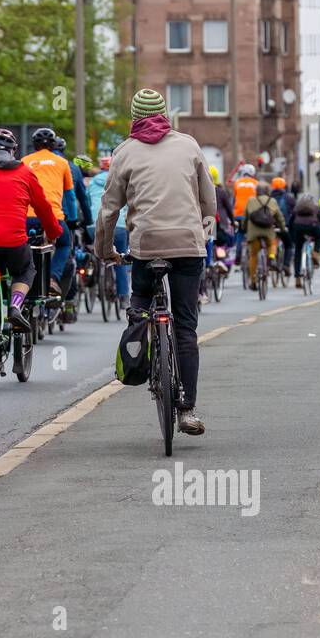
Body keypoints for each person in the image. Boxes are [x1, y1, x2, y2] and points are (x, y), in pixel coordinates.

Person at [95, 88, 215, 436]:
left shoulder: (124, 152)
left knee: (140, 301)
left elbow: (109, 209)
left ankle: (138, 332)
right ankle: (188, 409)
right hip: (188, 246)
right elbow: (208, 198)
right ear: (166, 115)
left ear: (134, 117)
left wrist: (105, 251)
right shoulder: (189, 145)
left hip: (146, 246)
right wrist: (205, 229)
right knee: (185, 328)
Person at [0, 128, 61, 336]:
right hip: (13, 242)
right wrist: (53, 232)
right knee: (25, 270)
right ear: (13, 151)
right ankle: (15, 306)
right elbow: (42, 207)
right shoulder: (25, 172)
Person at [22, 128, 74, 297]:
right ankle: (53, 278)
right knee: (65, 243)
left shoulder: (24, 161)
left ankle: (22, 279)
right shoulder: (62, 163)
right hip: (53, 216)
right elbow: (70, 196)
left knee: (23, 246)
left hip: (27, 216)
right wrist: (72, 219)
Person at [87, 154, 129, 303]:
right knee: (121, 259)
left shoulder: (92, 183)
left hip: (94, 225)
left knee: (94, 249)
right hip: (119, 226)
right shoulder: (122, 181)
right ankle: (124, 296)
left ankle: (97, 273)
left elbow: (87, 203)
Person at [242, 182, 285, 287]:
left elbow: (246, 217)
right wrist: (283, 228)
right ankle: (271, 257)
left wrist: (244, 229)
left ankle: (253, 281)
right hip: (268, 231)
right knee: (272, 244)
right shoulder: (272, 201)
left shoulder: (250, 201)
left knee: (253, 255)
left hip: (253, 232)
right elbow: (279, 217)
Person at [290, 187, 320, 287]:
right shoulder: (316, 207)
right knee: (319, 235)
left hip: (298, 227)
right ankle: (315, 252)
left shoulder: (297, 208)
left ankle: (297, 278)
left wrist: (293, 237)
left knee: (298, 251)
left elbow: (291, 222)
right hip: (312, 226)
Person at [231, 163, 259, 264]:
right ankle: (255, 256)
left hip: (239, 214)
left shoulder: (237, 183)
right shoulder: (256, 183)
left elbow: (233, 200)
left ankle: (238, 255)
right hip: (252, 214)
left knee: (240, 233)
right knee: (254, 234)